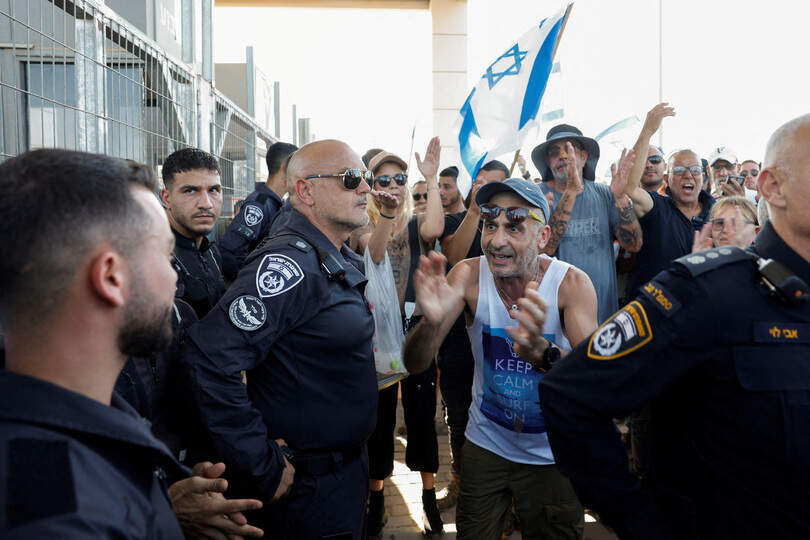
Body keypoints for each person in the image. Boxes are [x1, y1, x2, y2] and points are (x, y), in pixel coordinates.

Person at [539, 113, 810, 540]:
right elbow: (570, 395)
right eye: (678, 170)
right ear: (773, 187)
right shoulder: (704, 290)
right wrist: (645, 523)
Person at [0, 149, 262, 539]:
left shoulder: (82, 427)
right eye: (165, 254)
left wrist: (162, 483)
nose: (175, 278)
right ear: (111, 278)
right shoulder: (63, 515)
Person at [182, 139, 379, 540]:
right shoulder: (289, 265)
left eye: (367, 179)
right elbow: (208, 357)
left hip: (342, 477)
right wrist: (259, 462)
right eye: (351, 179)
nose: (366, 189)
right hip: (307, 492)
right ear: (304, 190)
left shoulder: (333, 257)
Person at [404, 178, 599, 540]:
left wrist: (546, 355)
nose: (497, 240)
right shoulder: (468, 275)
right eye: (490, 225)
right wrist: (428, 323)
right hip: (486, 445)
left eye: (514, 226)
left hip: (552, 454)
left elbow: (600, 382)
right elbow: (416, 363)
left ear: (542, 238)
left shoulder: (571, 285)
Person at [352, 140, 445, 536]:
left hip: (415, 333)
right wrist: (386, 214)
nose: (392, 183)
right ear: (370, 183)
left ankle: (427, 498)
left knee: (423, 416)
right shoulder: (361, 224)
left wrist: (431, 178)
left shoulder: (416, 223)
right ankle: (376, 498)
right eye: (383, 178)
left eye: (399, 178)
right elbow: (371, 254)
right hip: (376, 339)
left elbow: (436, 228)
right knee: (379, 421)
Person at [433, 159, 508, 511]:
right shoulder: (457, 220)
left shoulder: (514, 229)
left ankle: (506, 500)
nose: (487, 191)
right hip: (459, 342)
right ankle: (461, 484)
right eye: (481, 184)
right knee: (459, 416)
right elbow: (453, 254)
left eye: (496, 186)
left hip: (502, 339)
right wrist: (477, 213)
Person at [532, 123, 643, 323]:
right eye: (555, 152)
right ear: (548, 161)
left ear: (583, 157)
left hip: (604, 315)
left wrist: (621, 199)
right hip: (555, 319)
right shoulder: (536, 196)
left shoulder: (605, 194)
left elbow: (633, 244)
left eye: (570, 150)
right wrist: (571, 191)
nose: (563, 156)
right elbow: (546, 247)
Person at [623, 104, 715, 300]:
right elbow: (630, 188)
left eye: (695, 170)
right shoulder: (657, 207)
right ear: (667, 178)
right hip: (653, 313)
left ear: (704, 177)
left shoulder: (717, 212)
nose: (688, 176)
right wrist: (647, 131)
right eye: (680, 171)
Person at [160, 147, 226, 318]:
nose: (206, 204)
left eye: (213, 190)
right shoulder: (152, 259)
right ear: (167, 198)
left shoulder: (210, 251)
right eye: (190, 191)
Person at [219, 141, 298, 282]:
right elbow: (230, 252)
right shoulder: (259, 204)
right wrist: (251, 282)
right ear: (286, 167)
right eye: (298, 166)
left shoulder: (276, 204)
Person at [692, 196, 759, 252]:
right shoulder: (704, 263)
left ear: (756, 232)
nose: (725, 230)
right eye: (719, 223)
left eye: (735, 224)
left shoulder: (765, 265)